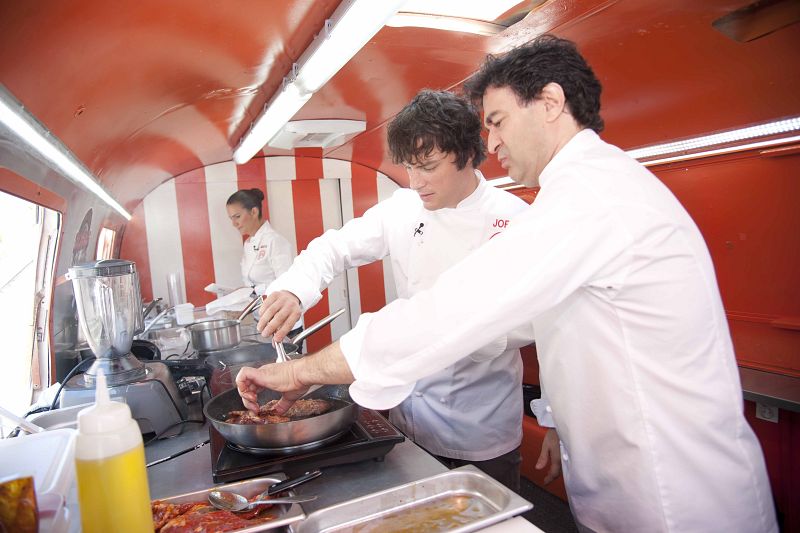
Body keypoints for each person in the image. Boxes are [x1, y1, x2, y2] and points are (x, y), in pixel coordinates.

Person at [237, 36, 777, 532]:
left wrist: (302, 371)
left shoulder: (589, 201)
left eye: (496, 120)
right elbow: (582, 339)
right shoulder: (584, 191)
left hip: (674, 496)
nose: (489, 139)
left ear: (549, 102)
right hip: (625, 475)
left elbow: (452, 312)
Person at [252, 90, 545, 491]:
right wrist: (294, 289)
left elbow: (533, 325)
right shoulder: (403, 207)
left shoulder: (514, 219)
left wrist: (558, 418)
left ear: (466, 153)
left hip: (481, 427)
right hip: (410, 416)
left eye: (427, 166)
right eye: (408, 167)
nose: (415, 181)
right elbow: (334, 247)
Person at [225, 188, 302, 338]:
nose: (234, 223)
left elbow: (286, 284)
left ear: (254, 212)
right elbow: (252, 282)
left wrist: (254, 291)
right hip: (261, 319)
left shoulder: (275, 241)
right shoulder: (248, 243)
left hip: (282, 321)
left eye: (237, 216)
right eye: (231, 218)